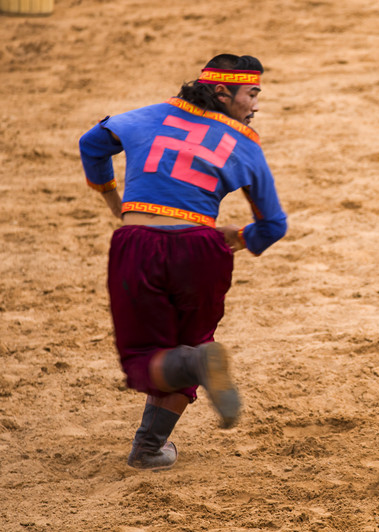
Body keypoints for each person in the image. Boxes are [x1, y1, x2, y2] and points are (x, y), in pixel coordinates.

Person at [79, 53, 288, 470]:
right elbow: (274, 225)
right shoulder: (246, 144)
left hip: (137, 244)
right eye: (251, 94)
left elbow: (91, 143)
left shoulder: (149, 115)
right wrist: (241, 238)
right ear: (222, 92)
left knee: (145, 354)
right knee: (190, 346)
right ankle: (149, 445)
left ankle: (159, 428)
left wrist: (111, 198)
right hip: (200, 250)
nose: (256, 105)